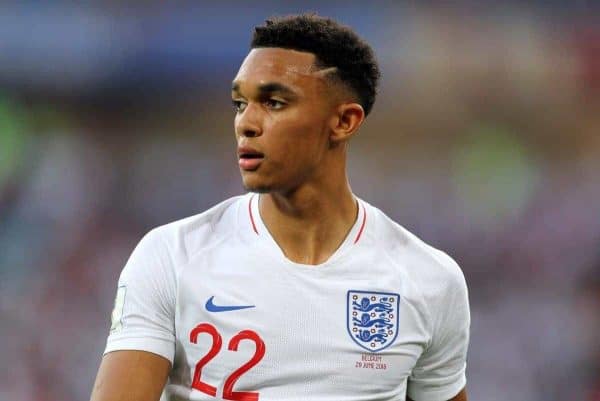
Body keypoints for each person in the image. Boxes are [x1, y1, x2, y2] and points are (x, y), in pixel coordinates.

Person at [90, 14, 470, 401]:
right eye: (240, 103)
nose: (246, 124)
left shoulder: (429, 279)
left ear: (344, 121)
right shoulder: (172, 255)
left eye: (273, 102)